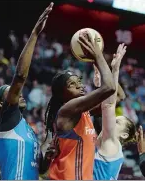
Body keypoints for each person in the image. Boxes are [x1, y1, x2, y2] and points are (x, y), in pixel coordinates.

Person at [0, 3, 54, 180]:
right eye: (12, 92)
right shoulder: (7, 119)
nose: (18, 94)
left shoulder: (27, 129)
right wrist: (34, 35)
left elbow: (39, 169)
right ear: (3, 103)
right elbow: (20, 76)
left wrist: (47, 156)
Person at [45, 32, 116, 180]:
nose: (80, 86)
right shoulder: (67, 110)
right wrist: (98, 56)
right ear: (62, 93)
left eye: (79, 82)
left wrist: (114, 68)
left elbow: (111, 100)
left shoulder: (83, 112)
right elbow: (109, 88)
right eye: (72, 85)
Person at [93, 43, 137, 180]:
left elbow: (109, 106)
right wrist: (101, 84)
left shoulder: (111, 142)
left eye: (117, 122)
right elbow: (105, 106)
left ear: (124, 135)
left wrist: (115, 69)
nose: (113, 120)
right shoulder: (106, 142)